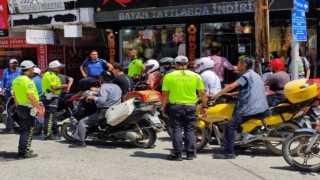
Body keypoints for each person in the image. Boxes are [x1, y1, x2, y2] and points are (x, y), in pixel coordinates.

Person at [211, 57, 269, 159]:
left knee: (230, 125)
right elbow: (248, 89)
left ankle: (227, 152)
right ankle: (239, 144)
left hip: (251, 108)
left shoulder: (245, 76)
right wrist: (230, 94)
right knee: (236, 124)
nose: (236, 66)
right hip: (261, 106)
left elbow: (231, 86)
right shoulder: (256, 75)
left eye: (238, 64)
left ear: (243, 66)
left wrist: (217, 94)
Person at [161, 55, 207, 161]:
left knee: (176, 129)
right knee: (189, 129)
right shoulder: (196, 76)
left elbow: (164, 94)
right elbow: (202, 93)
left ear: (175, 64)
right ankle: (190, 153)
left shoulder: (169, 76)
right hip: (191, 106)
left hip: (175, 106)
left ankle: (177, 154)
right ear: (187, 64)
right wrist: (205, 106)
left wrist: (163, 107)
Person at [69, 71, 122, 148]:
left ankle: (81, 142)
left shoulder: (104, 87)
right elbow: (108, 94)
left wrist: (92, 97)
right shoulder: (116, 86)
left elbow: (102, 100)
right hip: (115, 109)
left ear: (102, 78)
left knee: (82, 122)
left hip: (105, 111)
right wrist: (97, 90)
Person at [12, 60, 44, 159]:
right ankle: (22, 152)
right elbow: (30, 96)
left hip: (21, 107)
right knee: (27, 130)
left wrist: (18, 105)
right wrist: (40, 109)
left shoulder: (16, 79)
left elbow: (15, 95)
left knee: (25, 129)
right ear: (30, 69)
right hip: (28, 108)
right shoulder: (28, 81)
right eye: (33, 68)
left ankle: (24, 149)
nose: (34, 69)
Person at [42, 60, 69, 140]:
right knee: (50, 116)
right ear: (54, 68)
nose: (60, 68)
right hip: (50, 97)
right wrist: (65, 86)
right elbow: (53, 87)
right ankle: (49, 134)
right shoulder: (50, 75)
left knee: (52, 116)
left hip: (52, 97)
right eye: (59, 67)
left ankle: (54, 132)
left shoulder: (53, 74)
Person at [0, 59, 22, 133]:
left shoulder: (20, 70)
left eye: (16, 63)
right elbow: (3, 80)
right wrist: (2, 88)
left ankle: (12, 126)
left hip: (18, 92)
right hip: (8, 92)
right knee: (10, 108)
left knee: (15, 109)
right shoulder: (6, 71)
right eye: (14, 63)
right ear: (10, 64)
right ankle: (13, 126)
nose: (15, 65)